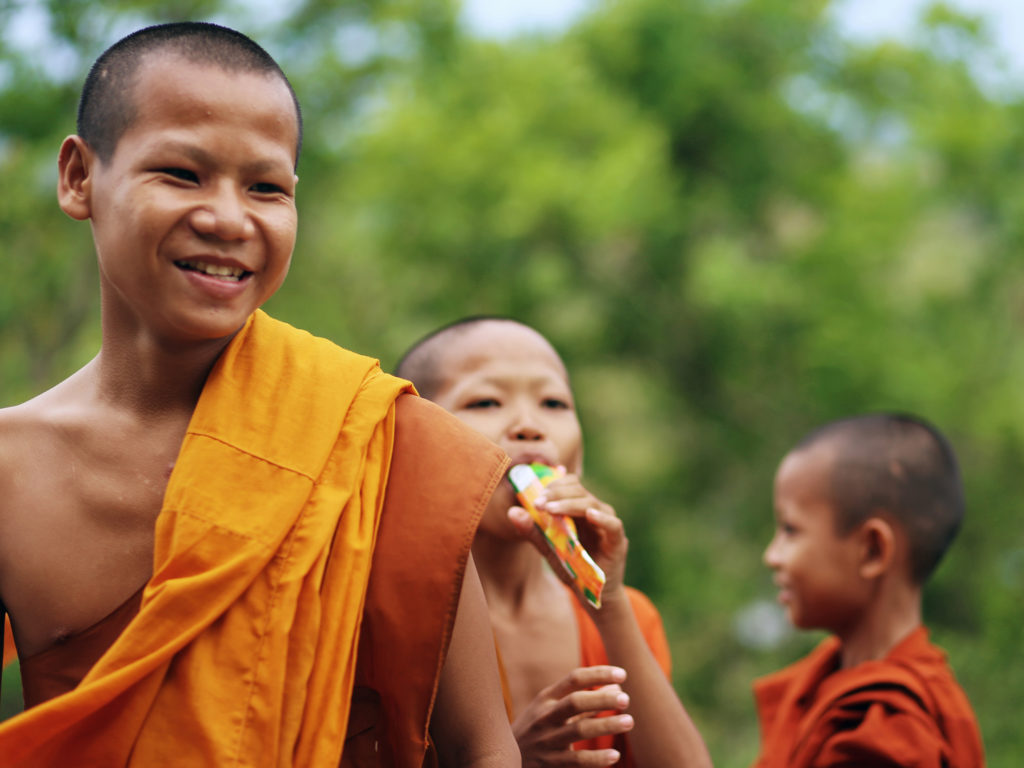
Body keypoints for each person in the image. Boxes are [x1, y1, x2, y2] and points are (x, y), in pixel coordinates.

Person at [0, 22, 520, 767]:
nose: (228, 218)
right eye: (181, 173)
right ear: (80, 178)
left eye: (266, 187)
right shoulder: (10, 469)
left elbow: (483, 749)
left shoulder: (370, 436)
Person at [394, 317, 712, 768]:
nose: (529, 425)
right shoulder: (388, 612)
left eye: (553, 403)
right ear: (415, 440)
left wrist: (610, 598)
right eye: (486, 401)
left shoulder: (624, 615)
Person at [754, 413, 985, 767]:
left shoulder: (891, 725)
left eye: (790, 529)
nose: (772, 556)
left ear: (873, 550)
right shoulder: (827, 683)